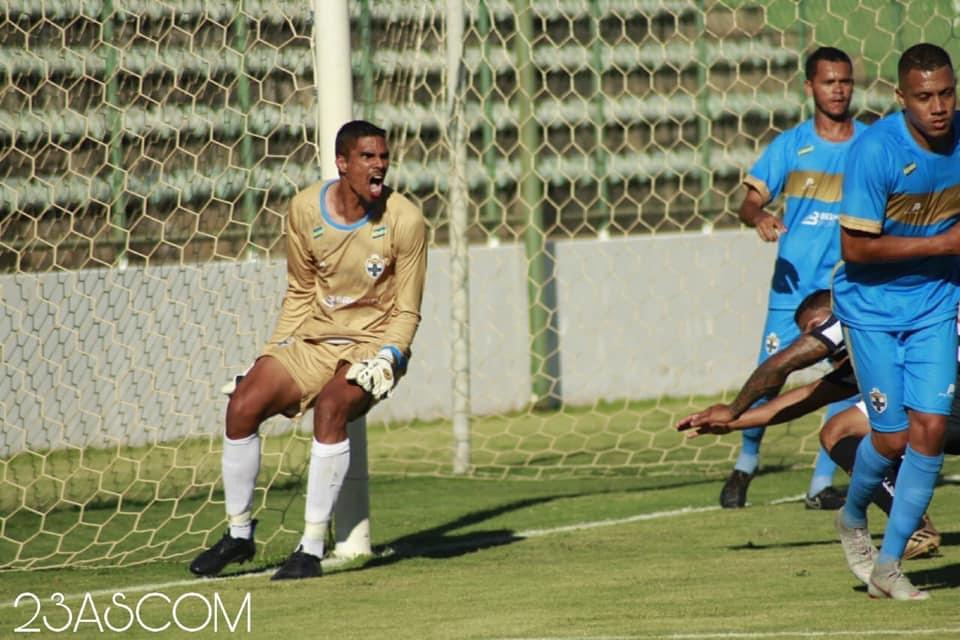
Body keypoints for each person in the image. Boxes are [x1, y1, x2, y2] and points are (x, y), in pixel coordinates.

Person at [189, 120, 428, 580]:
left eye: (383, 156)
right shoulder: (303, 208)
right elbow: (299, 293)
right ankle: (238, 535)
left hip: (373, 343)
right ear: (342, 163)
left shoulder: (406, 220)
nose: (379, 165)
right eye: (367, 157)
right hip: (315, 339)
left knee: (331, 408)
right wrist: (270, 354)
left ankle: (311, 547)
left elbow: (407, 310)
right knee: (243, 404)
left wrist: (390, 357)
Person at [677, 290, 953, 560]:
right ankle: (912, 522)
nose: (808, 337)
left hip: (945, 398)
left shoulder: (849, 311)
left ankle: (913, 526)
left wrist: (733, 408)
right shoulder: (877, 345)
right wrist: (731, 423)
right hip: (942, 401)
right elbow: (808, 397)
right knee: (859, 429)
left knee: (839, 431)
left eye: (810, 329)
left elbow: (782, 364)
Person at [831, 43, 960, 600]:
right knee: (892, 437)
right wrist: (945, 243)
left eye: (947, 93)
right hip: (873, 311)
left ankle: (888, 565)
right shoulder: (875, 151)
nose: (939, 107)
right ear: (900, 96)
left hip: (936, 303)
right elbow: (856, 249)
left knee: (929, 428)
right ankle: (851, 514)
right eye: (925, 96)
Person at [722, 46, 868, 510]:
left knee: (848, 378)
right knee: (769, 377)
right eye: (829, 82)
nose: (838, 90)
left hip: (847, 290)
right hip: (793, 290)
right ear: (810, 87)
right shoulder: (790, 145)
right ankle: (746, 463)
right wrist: (760, 216)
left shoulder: (871, 144)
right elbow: (748, 202)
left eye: (845, 81)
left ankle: (821, 483)